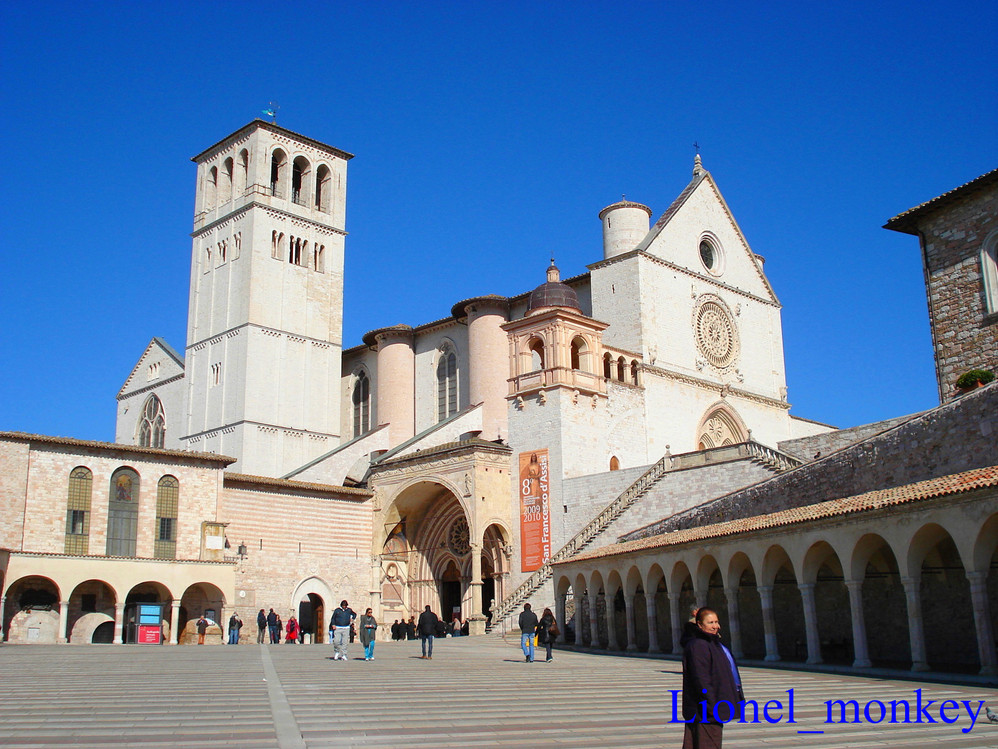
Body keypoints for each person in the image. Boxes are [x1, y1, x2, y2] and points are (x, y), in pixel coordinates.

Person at [681, 607, 743, 749]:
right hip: (706, 711)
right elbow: (701, 679)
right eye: (710, 623)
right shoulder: (699, 645)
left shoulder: (712, 643)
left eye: (716, 622)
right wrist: (711, 706)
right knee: (708, 743)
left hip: (709, 708)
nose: (715, 626)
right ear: (700, 625)